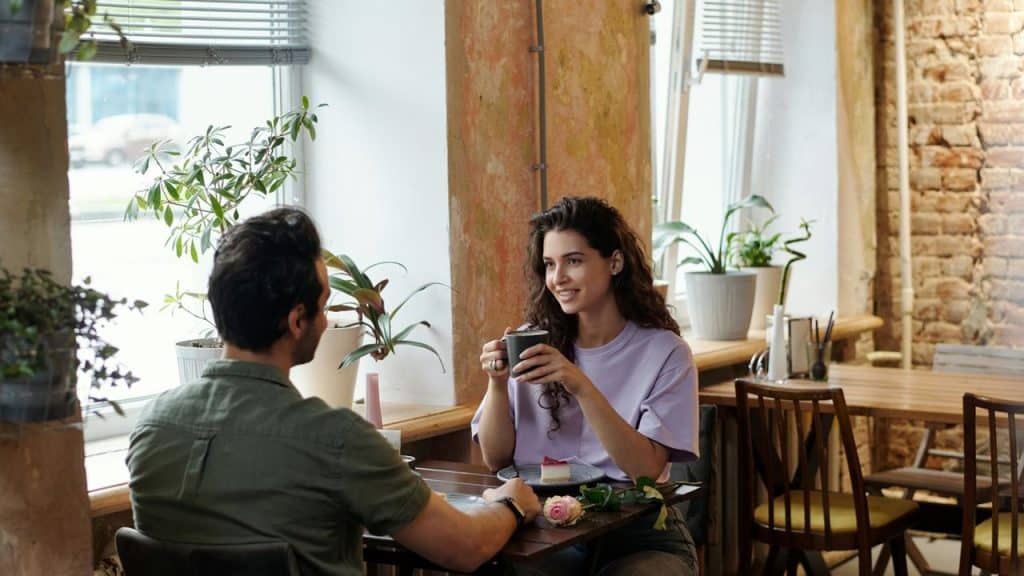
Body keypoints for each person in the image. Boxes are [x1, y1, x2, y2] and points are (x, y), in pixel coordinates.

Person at [127, 207, 540, 576]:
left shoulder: (152, 427)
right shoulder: (335, 438)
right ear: (297, 321)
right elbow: (466, 548)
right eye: (324, 307)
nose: (326, 322)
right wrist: (510, 503)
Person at [473, 196, 699, 575]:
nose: (557, 278)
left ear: (615, 262)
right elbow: (496, 459)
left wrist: (580, 384)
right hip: (545, 532)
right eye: (549, 264)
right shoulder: (532, 343)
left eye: (573, 261)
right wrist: (497, 384)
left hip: (638, 535)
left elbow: (645, 470)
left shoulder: (666, 352)